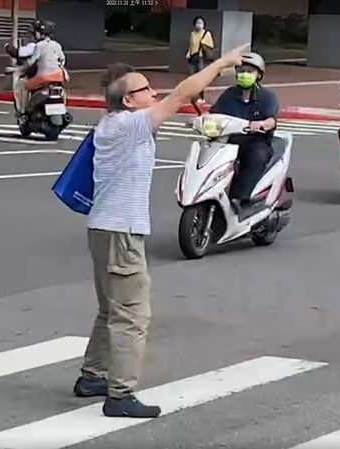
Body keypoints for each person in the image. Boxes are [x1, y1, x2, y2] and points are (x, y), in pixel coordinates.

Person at [73, 43, 248, 418]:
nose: (153, 93)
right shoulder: (130, 125)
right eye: (145, 89)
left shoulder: (112, 124)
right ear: (129, 101)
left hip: (103, 228)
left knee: (110, 309)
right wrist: (222, 63)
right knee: (132, 315)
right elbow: (183, 93)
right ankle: (120, 395)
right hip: (121, 232)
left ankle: (92, 376)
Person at [209, 52, 279, 209]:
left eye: (249, 71)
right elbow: (214, 113)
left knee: (256, 156)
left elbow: (271, 121)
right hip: (230, 140)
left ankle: (239, 198)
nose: (244, 74)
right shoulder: (229, 94)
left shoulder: (267, 96)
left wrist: (261, 124)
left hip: (255, 142)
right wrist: (201, 120)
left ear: (259, 74)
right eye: (241, 71)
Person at [13, 19, 66, 120]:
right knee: (62, 90)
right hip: (58, 77)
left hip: (43, 78)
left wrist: (19, 69)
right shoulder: (57, 45)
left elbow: (31, 62)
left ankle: (23, 111)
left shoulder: (40, 45)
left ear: (40, 33)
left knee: (23, 86)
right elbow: (62, 60)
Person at [185, 16, 215, 104]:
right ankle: (193, 95)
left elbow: (210, 46)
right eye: (197, 23)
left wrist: (203, 48)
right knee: (192, 77)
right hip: (193, 57)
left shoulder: (206, 34)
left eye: (201, 23)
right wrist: (188, 53)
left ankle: (202, 96)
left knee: (200, 78)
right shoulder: (192, 34)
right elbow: (191, 45)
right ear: (194, 24)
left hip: (201, 58)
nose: (199, 24)